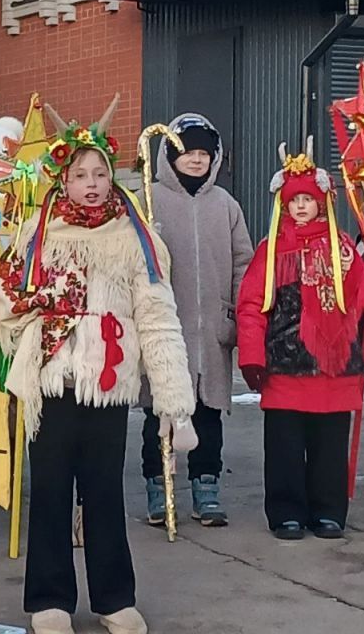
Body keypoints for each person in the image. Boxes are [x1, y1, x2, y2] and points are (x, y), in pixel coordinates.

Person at [0, 98, 197, 634]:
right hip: (49, 387)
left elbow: (158, 321)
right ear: (63, 179)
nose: (92, 184)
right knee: (50, 496)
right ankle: (48, 600)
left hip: (107, 386)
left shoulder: (136, 239)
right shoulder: (38, 235)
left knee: (104, 496)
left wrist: (175, 404)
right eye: (80, 175)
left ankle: (114, 599)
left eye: (100, 173)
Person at [237, 143, 364, 540]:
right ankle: (286, 511)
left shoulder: (343, 249)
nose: (301, 206)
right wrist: (251, 354)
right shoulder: (271, 250)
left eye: (308, 199)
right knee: (284, 448)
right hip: (285, 368)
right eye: (294, 200)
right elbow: (251, 305)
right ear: (284, 205)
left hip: (334, 371)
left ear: (322, 202)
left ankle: (328, 511)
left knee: (329, 448)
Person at [140, 113, 253, 528]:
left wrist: (236, 311)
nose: (196, 159)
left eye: (204, 153)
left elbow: (243, 261)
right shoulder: (150, 200)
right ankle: (159, 485)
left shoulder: (225, 205)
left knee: (207, 413)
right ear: (170, 155)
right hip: (165, 329)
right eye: (187, 151)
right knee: (160, 414)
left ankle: (206, 486)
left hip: (211, 333)